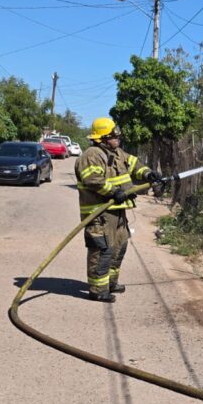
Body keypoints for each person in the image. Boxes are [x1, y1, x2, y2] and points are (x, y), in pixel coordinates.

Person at [74, 117, 161, 302]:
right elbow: (93, 180)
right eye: (114, 135)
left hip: (117, 210)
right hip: (100, 213)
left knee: (119, 246)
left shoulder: (117, 152)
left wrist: (148, 173)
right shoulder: (92, 155)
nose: (118, 138)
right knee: (102, 248)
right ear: (102, 138)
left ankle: (110, 283)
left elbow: (134, 164)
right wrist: (114, 192)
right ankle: (98, 289)